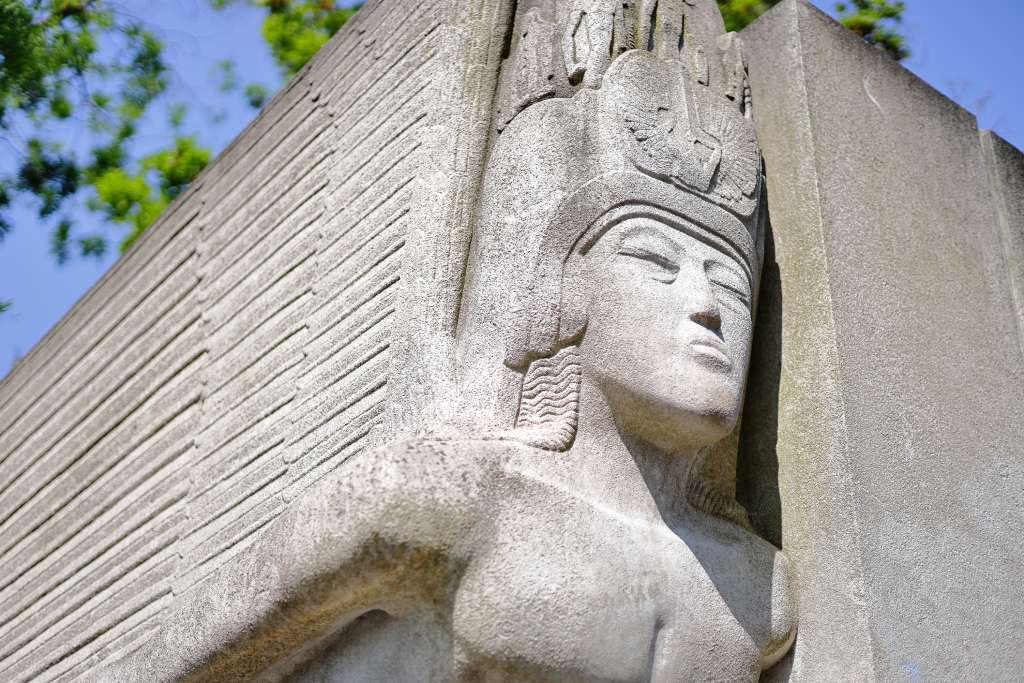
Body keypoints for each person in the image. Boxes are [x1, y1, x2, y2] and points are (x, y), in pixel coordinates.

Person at [110, 4, 796, 681]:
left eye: (730, 283)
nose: (707, 307)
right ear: (564, 293)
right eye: (656, 262)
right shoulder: (447, 498)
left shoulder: (761, 592)